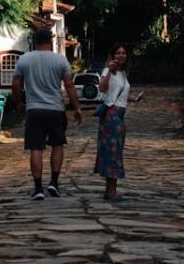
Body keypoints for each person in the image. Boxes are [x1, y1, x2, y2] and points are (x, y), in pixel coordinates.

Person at [12, 27, 83, 200]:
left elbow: (16, 84)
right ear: (50, 41)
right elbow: (69, 85)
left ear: (34, 41)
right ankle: (54, 182)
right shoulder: (60, 60)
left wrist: (19, 103)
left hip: (34, 109)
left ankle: (37, 188)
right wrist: (77, 107)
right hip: (56, 109)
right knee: (57, 145)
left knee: (36, 148)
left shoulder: (24, 60)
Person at [94, 43, 140, 200]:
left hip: (120, 114)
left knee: (115, 151)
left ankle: (110, 190)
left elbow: (118, 93)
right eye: (118, 53)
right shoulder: (109, 71)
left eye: (124, 53)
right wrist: (109, 72)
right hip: (111, 116)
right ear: (113, 56)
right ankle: (111, 191)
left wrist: (132, 98)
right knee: (112, 152)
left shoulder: (123, 73)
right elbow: (102, 88)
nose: (121, 55)